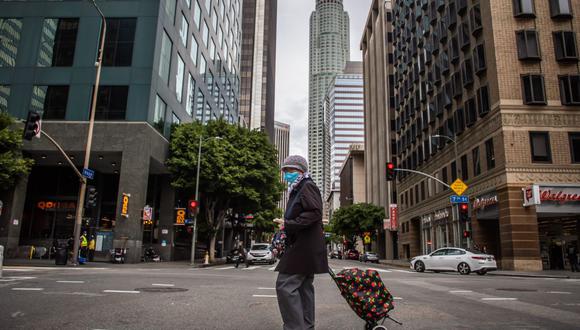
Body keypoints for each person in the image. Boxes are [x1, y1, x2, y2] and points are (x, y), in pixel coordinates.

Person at [274, 155, 328, 330]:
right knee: (304, 288)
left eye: (290, 171)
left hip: (304, 247)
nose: (286, 174)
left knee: (285, 285)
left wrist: (288, 224)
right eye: (285, 171)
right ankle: (306, 326)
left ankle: (295, 327)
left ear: (300, 171)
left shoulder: (307, 186)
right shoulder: (299, 188)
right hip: (305, 246)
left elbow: (314, 213)